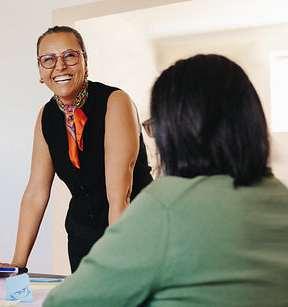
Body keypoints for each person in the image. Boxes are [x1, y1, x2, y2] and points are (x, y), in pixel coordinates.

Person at [43, 54, 288, 306]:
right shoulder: (280, 198)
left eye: (155, 125)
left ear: (177, 131)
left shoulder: (167, 206)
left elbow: (66, 303)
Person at [0, 25, 152, 279]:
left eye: (69, 56)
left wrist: (117, 258)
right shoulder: (46, 116)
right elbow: (36, 192)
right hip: (82, 237)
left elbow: (120, 196)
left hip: (134, 231)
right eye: (48, 60)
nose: (59, 66)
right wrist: (17, 264)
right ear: (40, 72)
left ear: (85, 62)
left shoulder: (115, 102)